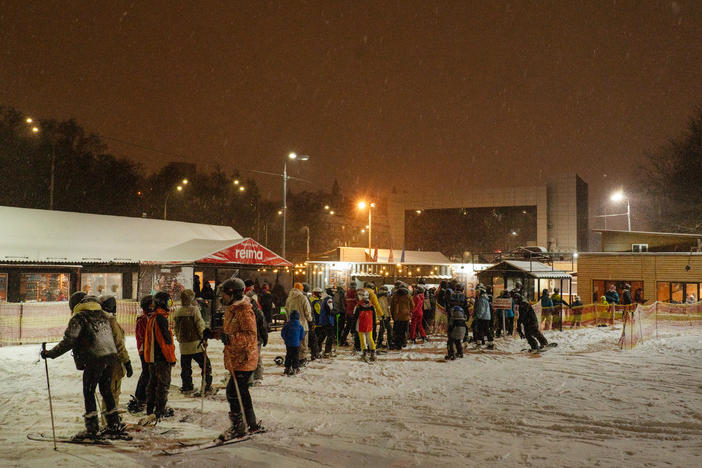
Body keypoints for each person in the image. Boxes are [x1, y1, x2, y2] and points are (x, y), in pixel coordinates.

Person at [40, 292, 126, 440]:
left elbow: (69, 341)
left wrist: (50, 354)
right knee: (106, 391)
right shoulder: (103, 315)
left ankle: (92, 429)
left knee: (89, 391)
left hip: (94, 359)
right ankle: (113, 425)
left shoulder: (79, 318)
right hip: (110, 358)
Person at [218, 278, 262, 440]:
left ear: (233, 294)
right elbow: (230, 331)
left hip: (245, 358)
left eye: (224, 294)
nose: (222, 297)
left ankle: (239, 426)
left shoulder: (244, 311)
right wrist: (214, 334)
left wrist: (230, 339)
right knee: (241, 392)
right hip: (236, 357)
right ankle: (251, 424)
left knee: (233, 392)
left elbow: (250, 336)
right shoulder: (233, 309)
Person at [97, 295, 132, 424]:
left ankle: (107, 419)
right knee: (112, 393)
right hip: (114, 363)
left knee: (106, 392)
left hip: (101, 362)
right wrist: (127, 362)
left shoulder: (98, 320)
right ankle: (110, 421)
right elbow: (119, 344)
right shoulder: (110, 321)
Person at [144, 291, 176, 419]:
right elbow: (165, 341)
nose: (170, 305)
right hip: (161, 358)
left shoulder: (153, 317)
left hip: (153, 358)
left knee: (153, 383)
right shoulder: (160, 319)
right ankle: (160, 410)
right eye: (169, 302)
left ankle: (150, 409)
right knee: (163, 384)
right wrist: (171, 358)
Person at [172, 289, 212, 394]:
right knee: (205, 365)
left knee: (186, 368)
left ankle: (187, 386)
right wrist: (203, 337)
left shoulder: (177, 311)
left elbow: (175, 328)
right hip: (195, 344)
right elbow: (200, 325)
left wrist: (179, 338)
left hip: (183, 345)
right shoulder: (194, 310)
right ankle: (206, 385)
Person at [128, 295, 152, 413]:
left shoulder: (147, 318)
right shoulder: (143, 320)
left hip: (147, 349)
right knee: (146, 372)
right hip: (145, 350)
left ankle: (144, 395)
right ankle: (140, 396)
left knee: (148, 372)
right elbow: (142, 337)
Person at [245, 280, 268, 385]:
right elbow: (262, 325)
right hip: (256, 337)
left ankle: (250, 378)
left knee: (248, 357)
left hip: (248, 337)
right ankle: (257, 377)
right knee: (257, 357)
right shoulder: (257, 311)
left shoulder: (241, 309)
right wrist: (265, 337)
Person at [285, 283, 313, 361]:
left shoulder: (289, 298)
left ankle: (294, 359)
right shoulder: (303, 297)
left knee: (294, 344)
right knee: (303, 344)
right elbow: (307, 311)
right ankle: (302, 359)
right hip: (303, 325)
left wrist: (288, 320)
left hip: (292, 325)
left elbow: (286, 310)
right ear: (301, 289)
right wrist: (310, 319)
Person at [354, 289, 377, 361]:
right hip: (369, 325)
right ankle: (373, 353)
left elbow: (355, 317)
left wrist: (352, 327)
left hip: (360, 325)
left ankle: (364, 353)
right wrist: (374, 324)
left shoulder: (358, 306)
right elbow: (374, 317)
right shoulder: (371, 306)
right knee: (370, 339)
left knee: (362, 339)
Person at [281, 310, 306, 375]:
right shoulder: (300, 326)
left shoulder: (287, 325)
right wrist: (298, 340)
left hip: (288, 344)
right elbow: (302, 335)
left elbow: (283, 333)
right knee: (296, 356)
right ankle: (295, 368)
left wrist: (285, 339)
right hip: (296, 344)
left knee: (288, 355)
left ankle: (287, 368)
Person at [390, 283, 413, 349]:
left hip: (397, 316)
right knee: (404, 330)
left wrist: (393, 315)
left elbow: (392, 307)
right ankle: (403, 342)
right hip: (405, 316)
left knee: (397, 330)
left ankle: (398, 343)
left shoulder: (395, 296)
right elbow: (412, 306)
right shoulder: (408, 296)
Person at [318, 286, 336, 357]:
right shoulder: (329, 300)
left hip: (323, 320)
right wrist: (336, 312)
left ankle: (318, 350)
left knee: (322, 336)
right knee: (330, 336)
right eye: (333, 291)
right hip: (328, 321)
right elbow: (331, 309)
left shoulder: (325, 299)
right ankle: (327, 352)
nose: (334, 293)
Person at [340, 282, 359, 348]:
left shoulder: (347, 293)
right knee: (354, 327)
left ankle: (342, 340)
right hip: (353, 312)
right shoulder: (355, 293)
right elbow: (357, 302)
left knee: (348, 327)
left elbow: (345, 303)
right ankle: (356, 342)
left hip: (348, 312)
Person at [309, 287, 323, 360]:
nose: (321, 294)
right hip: (317, 323)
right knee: (318, 339)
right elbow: (319, 312)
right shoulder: (316, 302)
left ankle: (315, 352)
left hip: (313, 322)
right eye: (320, 293)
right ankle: (316, 352)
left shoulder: (310, 300)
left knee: (314, 339)